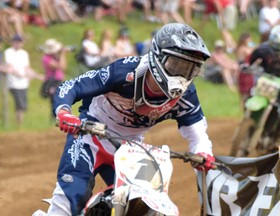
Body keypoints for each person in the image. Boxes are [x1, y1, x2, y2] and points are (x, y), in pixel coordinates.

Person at [46, 23, 215, 216]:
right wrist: (64, 112)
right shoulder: (125, 72)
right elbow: (73, 85)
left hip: (130, 150)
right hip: (90, 135)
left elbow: (197, 133)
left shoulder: (185, 95)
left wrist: (203, 153)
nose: (182, 75)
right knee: (70, 200)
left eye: (190, 69)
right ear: (158, 56)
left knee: (142, 205)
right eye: (177, 65)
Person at [4, 34, 43, 126]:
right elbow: (10, 66)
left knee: (23, 106)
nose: (18, 43)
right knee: (20, 104)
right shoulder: (8, 52)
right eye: (16, 41)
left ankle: (19, 124)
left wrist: (36, 75)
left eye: (19, 42)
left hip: (23, 83)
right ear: (13, 42)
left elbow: (27, 68)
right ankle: (19, 124)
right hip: (13, 83)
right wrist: (20, 74)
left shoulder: (24, 53)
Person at [40, 38, 67, 120]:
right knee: (55, 100)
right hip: (52, 81)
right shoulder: (46, 58)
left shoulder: (56, 57)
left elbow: (64, 67)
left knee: (61, 100)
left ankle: (59, 118)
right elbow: (60, 66)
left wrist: (62, 55)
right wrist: (62, 54)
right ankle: (54, 118)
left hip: (58, 80)